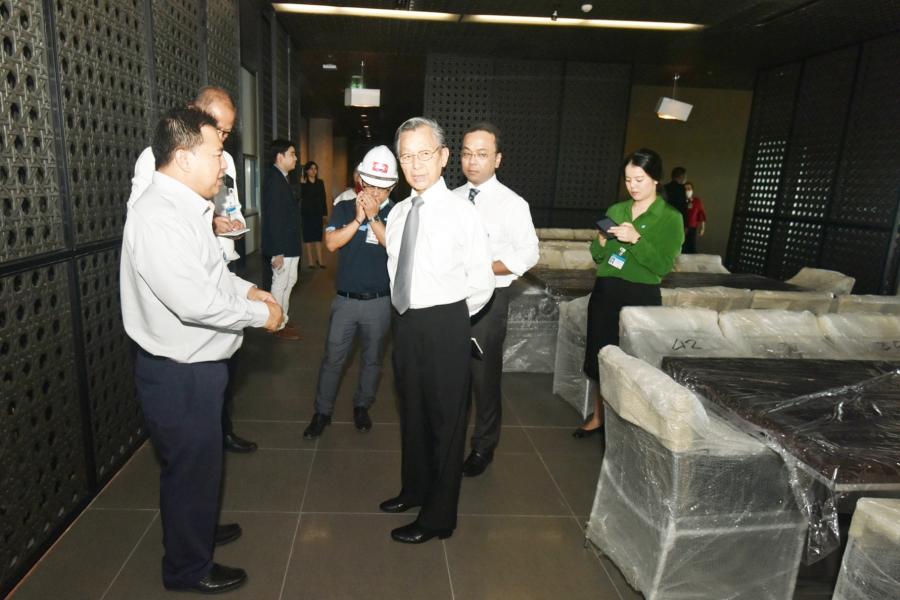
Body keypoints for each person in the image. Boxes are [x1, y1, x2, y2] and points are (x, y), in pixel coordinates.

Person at [120, 107, 284, 592]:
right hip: (179, 371)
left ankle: (198, 530)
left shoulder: (185, 208)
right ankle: (187, 568)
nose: (223, 165)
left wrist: (249, 291)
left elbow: (211, 275)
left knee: (199, 466)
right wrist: (260, 315)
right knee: (189, 469)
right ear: (184, 157)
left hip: (196, 367)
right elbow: (194, 302)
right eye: (216, 154)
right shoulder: (157, 217)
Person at [380, 117, 494, 544]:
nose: (415, 164)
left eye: (424, 154)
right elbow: (396, 269)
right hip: (404, 322)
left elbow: (481, 282)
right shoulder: (398, 213)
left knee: (446, 422)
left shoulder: (463, 214)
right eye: (407, 156)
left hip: (445, 322)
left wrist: (451, 320)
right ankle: (414, 489)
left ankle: (438, 518)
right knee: (411, 411)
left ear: (443, 157)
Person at [128, 85, 258, 454]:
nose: (222, 139)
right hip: (184, 318)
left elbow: (226, 206)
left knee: (221, 376)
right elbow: (160, 227)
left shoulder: (220, 159)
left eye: (227, 132)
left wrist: (224, 223)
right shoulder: (158, 163)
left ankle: (219, 431)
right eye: (217, 127)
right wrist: (261, 314)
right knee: (188, 454)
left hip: (220, 269)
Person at [575, 148, 684, 438]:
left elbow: (662, 266)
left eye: (639, 180)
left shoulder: (670, 217)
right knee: (600, 356)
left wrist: (636, 240)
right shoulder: (617, 210)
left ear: (656, 179)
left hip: (640, 296)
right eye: (627, 180)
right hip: (606, 292)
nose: (632, 186)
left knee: (635, 361)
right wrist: (600, 242)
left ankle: (630, 427)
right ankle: (599, 416)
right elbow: (599, 256)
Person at [452, 122, 539, 477]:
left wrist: (483, 267)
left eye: (482, 154)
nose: (472, 161)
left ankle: (482, 448)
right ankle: (450, 441)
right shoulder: (450, 199)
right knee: (451, 376)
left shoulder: (512, 204)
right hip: (449, 299)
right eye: (467, 154)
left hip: (489, 302)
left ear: (497, 159)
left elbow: (528, 253)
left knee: (483, 378)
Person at [303, 146, 398, 439]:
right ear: (360, 180)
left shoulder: (397, 213)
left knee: (372, 360)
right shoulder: (345, 207)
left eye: (382, 188)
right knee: (333, 358)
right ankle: (322, 412)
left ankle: (362, 406)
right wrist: (358, 219)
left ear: (392, 187)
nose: (375, 193)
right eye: (370, 185)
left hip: (379, 302)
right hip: (345, 301)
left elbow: (394, 246)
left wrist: (373, 217)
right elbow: (331, 243)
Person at [261, 139, 302, 341]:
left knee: (289, 281)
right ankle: (275, 324)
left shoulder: (282, 178)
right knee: (280, 283)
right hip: (282, 246)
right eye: (292, 154)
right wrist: (277, 251)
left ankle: (282, 318)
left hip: (290, 244)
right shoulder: (274, 180)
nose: (296, 158)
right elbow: (273, 218)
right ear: (280, 157)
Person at [301, 160, 328, 268]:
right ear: (306, 171)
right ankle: (311, 262)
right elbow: (300, 197)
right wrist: (301, 184)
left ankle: (320, 261)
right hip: (306, 214)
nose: (313, 171)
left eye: (315, 169)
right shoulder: (303, 183)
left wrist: (325, 214)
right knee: (308, 238)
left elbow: (323, 199)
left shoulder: (320, 182)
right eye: (311, 169)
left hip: (317, 214)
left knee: (318, 237)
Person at [683, 181, 707, 254]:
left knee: (691, 246)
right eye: (685, 189)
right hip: (681, 227)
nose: (687, 191)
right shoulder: (680, 201)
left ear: (692, 190)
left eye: (689, 189)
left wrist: (702, 227)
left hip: (692, 227)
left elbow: (701, 214)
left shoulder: (697, 201)